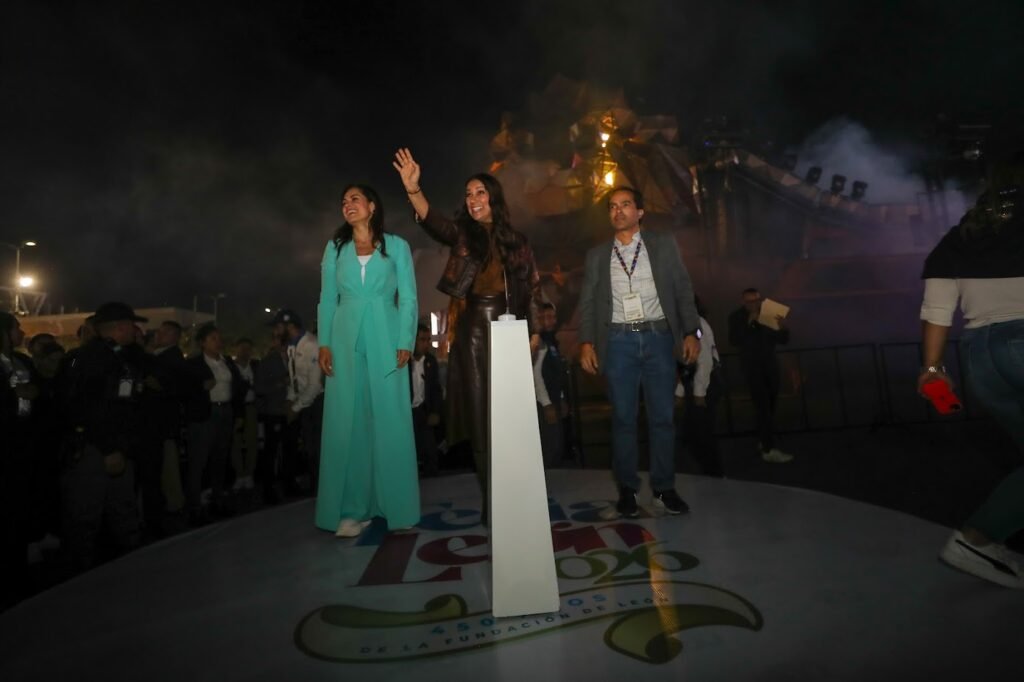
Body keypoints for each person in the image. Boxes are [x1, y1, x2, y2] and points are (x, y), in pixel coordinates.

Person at [393, 148, 542, 522]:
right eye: (468, 194)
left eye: (479, 193)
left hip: (510, 328)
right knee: (479, 415)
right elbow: (434, 222)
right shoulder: (464, 234)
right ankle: (491, 497)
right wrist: (414, 189)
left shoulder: (517, 241)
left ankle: (516, 490)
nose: (472, 199)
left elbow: (533, 288)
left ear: (493, 198)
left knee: (510, 415)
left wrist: (535, 331)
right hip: (474, 328)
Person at [919, 161, 1024, 588]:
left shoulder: (957, 237)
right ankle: (976, 538)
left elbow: (937, 309)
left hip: (981, 357)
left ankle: (977, 540)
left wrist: (931, 370)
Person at [579, 186, 700, 518]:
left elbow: (682, 288)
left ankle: (663, 488)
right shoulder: (597, 255)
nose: (618, 211)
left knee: (662, 418)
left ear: (640, 212)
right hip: (618, 342)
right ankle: (628, 491)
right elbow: (588, 302)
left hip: (659, 337)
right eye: (613, 207)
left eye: (626, 205)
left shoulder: (663, 245)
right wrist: (586, 341)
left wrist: (692, 331)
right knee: (623, 419)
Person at [316, 183, 419, 537]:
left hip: (387, 335)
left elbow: (408, 297)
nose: (348, 205)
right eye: (343, 201)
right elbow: (327, 298)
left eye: (355, 199)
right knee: (348, 421)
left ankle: (399, 509)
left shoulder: (398, 247)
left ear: (372, 206)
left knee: (392, 419)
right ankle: (351, 510)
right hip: (344, 337)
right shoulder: (336, 248)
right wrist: (325, 342)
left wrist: (406, 338)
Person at [57, 302, 146, 572]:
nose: (136, 329)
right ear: (120, 327)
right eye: (132, 325)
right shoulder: (94, 358)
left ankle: (118, 571)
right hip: (97, 451)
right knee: (87, 518)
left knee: (118, 513)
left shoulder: (114, 355)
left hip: (111, 447)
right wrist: (110, 449)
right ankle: (80, 583)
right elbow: (89, 409)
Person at [182, 323, 245, 523]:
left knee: (220, 459)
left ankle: (218, 499)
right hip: (205, 414)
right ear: (202, 343)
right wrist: (200, 387)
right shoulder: (194, 364)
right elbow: (182, 390)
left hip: (225, 412)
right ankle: (195, 507)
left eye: (219, 338)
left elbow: (238, 387)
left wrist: (239, 413)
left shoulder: (227, 362)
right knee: (198, 461)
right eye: (213, 339)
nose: (219, 342)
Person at [727, 287, 794, 463]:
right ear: (743, 302)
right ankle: (768, 448)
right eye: (749, 301)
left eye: (757, 300)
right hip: (752, 368)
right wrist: (749, 323)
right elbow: (734, 340)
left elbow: (783, 340)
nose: (754, 304)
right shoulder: (736, 317)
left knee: (770, 404)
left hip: (770, 365)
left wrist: (783, 328)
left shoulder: (767, 315)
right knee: (762, 406)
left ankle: (763, 439)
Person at [270, 308, 323, 494]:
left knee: (318, 449)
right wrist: (290, 400)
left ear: (289, 326)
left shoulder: (311, 344)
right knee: (310, 449)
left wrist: (296, 407)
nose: (275, 332)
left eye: (278, 327)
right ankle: (316, 489)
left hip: (317, 403)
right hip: (304, 402)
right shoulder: (292, 345)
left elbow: (315, 384)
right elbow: (295, 379)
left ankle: (321, 490)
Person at [677, 296, 725, 477]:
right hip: (699, 383)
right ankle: (713, 472)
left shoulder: (696, 324)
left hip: (705, 384)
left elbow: (704, 359)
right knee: (697, 432)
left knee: (701, 432)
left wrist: (698, 392)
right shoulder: (687, 324)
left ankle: (716, 474)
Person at [533, 302, 570, 467]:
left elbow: (557, 374)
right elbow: (536, 374)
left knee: (557, 447)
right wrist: (546, 403)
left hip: (554, 399)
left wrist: (561, 398)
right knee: (550, 447)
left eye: (552, 317)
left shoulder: (552, 341)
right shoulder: (538, 342)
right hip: (543, 404)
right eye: (544, 317)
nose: (550, 321)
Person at [255, 328, 289, 503]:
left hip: (290, 411)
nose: (281, 342)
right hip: (273, 411)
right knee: (271, 451)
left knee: (288, 450)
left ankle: (288, 484)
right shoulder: (267, 362)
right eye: (277, 338)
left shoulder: (293, 359)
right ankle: (268, 488)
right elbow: (259, 388)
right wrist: (278, 384)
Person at [410, 322, 443, 477]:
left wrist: (435, 411)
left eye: (428, 340)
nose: (426, 344)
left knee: (431, 451)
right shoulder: (404, 362)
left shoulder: (430, 361)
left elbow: (436, 389)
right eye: (422, 340)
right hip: (407, 413)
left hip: (424, 410)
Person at [230, 337, 259, 492]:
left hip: (251, 407)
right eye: (243, 348)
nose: (245, 352)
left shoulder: (255, 366)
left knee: (251, 442)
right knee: (235, 442)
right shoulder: (231, 367)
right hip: (236, 408)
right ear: (237, 349)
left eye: (248, 349)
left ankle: (249, 474)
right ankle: (239, 474)